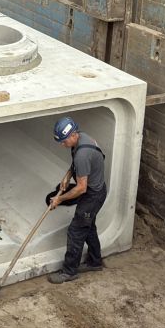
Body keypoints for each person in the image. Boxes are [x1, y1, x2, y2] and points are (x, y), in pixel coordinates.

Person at [47, 117, 108, 284]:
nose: (62, 144)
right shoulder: (82, 138)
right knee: (88, 227)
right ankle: (95, 262)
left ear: (73, 134)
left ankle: (69, 272)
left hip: (92, 196)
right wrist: (67, 177)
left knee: (76, 231)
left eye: (64, 140)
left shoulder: (82, 154)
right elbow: (76, 164)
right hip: (97, 191)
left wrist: (59, 199)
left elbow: (81, 188)